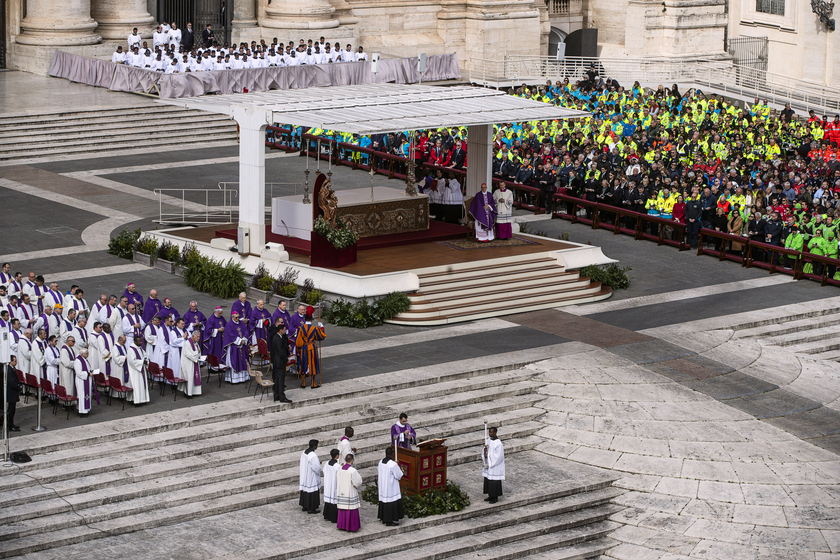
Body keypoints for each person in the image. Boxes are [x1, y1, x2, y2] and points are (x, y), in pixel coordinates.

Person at [295, 306, 326, 389]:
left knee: (303, 365)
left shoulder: (301, 328)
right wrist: (321, 328)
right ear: (312, 319)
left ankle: (303, 383)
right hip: (312, 347)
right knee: (313, 365)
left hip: (304, 348)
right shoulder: (314, 329)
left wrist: (299, 348)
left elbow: (298, 341)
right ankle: (313, 383)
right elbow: (321, 337)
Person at [377, 447, 404, 526]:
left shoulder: (380, 462)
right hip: (390, 488)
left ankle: (383, 517)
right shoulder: (393, 464)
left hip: (383, 486)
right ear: (392, 453)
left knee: (384, 501)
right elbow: (399, 475)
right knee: (390, 501)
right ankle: (389, 520)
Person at [223, 311, 249, 383]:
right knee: (235, 361)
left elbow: (246, 331)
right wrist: (240, 341)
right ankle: (234, 379)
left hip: (242, 346)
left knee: (243, 360)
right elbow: (230, 335)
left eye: (238, 317)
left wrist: (244, 339)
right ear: (232, 317)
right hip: (233, 347)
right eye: (236, 317)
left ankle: (243, 378)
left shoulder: (241, 323)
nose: (238, 319)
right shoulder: (229, 325)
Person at [482, 427, 505, 504]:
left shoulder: (498, 443)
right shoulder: (488, 440)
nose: (490, 434)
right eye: (489, 432)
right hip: (489, 465)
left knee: (494, 481)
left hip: (495, 466)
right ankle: (490, 495)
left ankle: (495, 497)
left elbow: (499, 456)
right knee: (488, 480)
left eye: (491, 432)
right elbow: (485, 450)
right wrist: (484, 451)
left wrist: (488, 456)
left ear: (495, 432)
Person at [270, 317, 290, 403]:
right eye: (284, 329)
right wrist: (286, 360)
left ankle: (276, 395)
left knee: (278, 379)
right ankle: (282, 396)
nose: (285, 331)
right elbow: (281, 352)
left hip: (276, 361)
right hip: (280, 361)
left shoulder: (277, 337)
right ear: (280, 330)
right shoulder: (278, 339)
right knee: (281, 379)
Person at [299, 439, 322, 514]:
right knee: (312, 491)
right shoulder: (313, 455)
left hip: (305, 474)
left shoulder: (304, 452)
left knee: (306, 490)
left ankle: (305, 506)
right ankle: (311, 508)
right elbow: (316, 468)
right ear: (315, 446)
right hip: (311, 476)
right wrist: (319, 466)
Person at [73, 349, 97, 416]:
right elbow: (79, 373)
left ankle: (85, 410)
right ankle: (82, 412)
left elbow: (87, 369)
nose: (88, 354)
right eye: (87, 353)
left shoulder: (84, 359)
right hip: (81, 382)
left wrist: (91, 371)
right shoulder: (78, 361)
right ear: (82, 354)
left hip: (86, 380)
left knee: (86, 395)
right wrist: (88, 374)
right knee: (82, 395)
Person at [127, 335, 150, 405]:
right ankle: (136, 401)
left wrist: (146, 359)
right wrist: (142, 362)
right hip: (135, 371)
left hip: (141, 369)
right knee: (137, 386)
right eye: (139, 341)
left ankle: (143, 399)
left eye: (141, 341)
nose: (141, 342)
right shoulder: (131, 350)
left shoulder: (140, 348)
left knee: (142, 385)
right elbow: (132, 361)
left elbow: (145, 355)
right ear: (135, 341)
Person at [180, 330, 202, 397]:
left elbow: (198, 352)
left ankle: (195, 392)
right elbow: (189, 354)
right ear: (193, 336)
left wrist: (199, 355)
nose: (199, 338)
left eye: (199, 337)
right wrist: (197, 353)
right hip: (188, 364)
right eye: (197, 337)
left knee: (194, 376)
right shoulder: (187, 343)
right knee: (189, 378)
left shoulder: (196, 343)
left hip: (194, 363)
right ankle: (188, 393)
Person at [322, 449, 341, 523]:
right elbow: (339, 476)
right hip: (334, 485)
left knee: (328, 501)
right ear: (337, 456)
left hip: (328, 483)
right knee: (333, 501)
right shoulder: (337, 466)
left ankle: (327, 515)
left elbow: (324, 471)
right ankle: (333, 518)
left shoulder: (327, 463)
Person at [5, 355, 21, 432]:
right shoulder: (9, 370)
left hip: (13, 392)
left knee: (12, 409)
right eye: (15, 361)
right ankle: (10, 425)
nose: (16, 362)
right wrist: (18, 387)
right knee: (11, 410)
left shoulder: (12, 369)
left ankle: (11, 424)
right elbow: (12, 382)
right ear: (11, 361)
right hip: (11, 392)